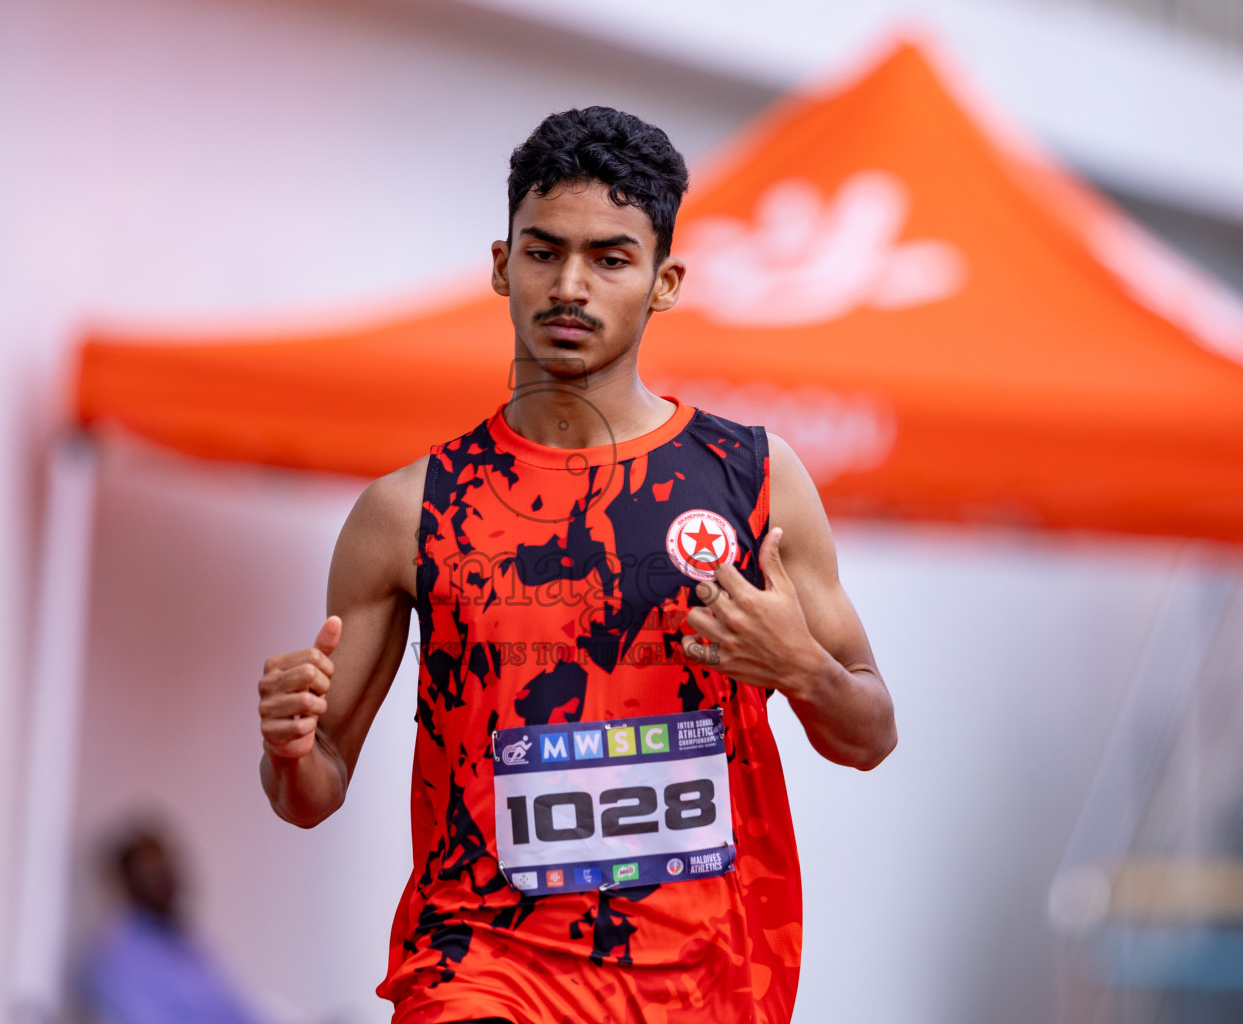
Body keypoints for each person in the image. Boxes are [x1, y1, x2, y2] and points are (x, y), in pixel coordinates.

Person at [257, 106, 896, 1024]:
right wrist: (287, 745)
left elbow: (870, 735)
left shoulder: (754, 481)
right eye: (543, 251)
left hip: (701, 979)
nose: (570, 285)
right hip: (478, 966)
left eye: (610, 259)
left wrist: (796, 665)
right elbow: (311, 793)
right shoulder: (408, 511)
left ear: (665, 281)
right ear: (499, 263)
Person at [82, 827, 266, 1024]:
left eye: (167, 867)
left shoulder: (190, 945)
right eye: (151, 872)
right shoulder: (118, 959)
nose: (166, 880)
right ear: (128, 882)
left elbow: (235, 1010)